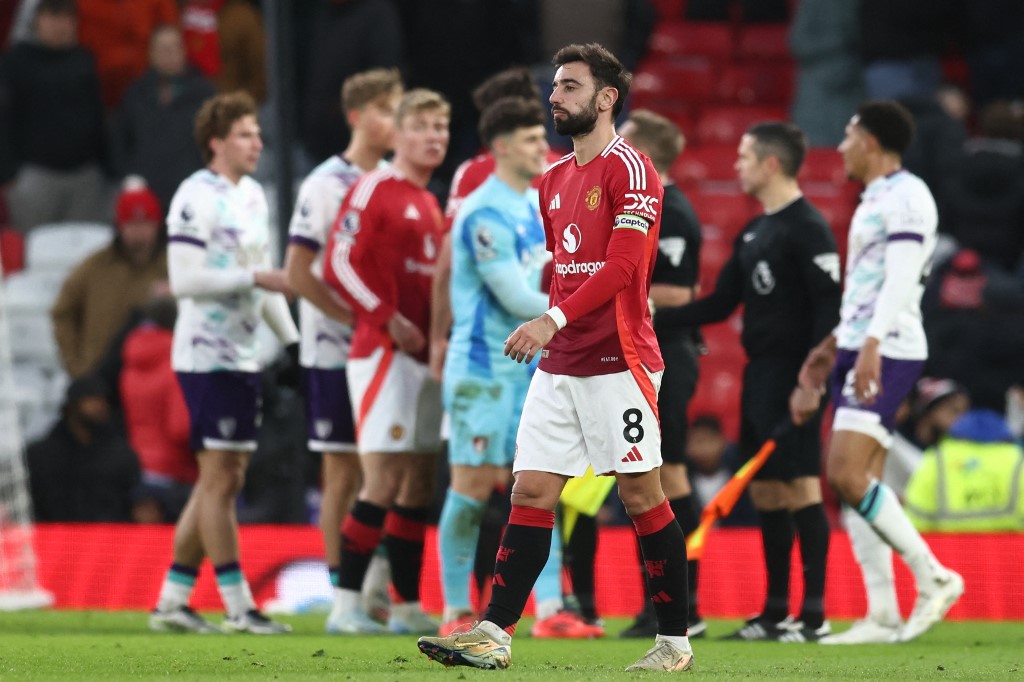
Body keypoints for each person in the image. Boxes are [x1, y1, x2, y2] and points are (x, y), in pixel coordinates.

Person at [418, 42, 695, 672]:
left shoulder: (633, 170)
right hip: (562, 362)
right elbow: (565, 270)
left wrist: (551, 318)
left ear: (605, 99)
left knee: (640, 494)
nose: (555, 96)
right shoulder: (551, 181)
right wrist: (547, 310)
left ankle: (674, 642)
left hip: (620, 360)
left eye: (570, 86)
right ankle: (495, 632)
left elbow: (624, 268)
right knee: (533, 489)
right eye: (555, 85)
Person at [660, 122, 842, 642]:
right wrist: (647, 316)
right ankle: (775, 609)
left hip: (797, 372)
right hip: (759, 372)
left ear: (770, 164)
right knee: (765, 490)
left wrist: (814, 376)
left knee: (802, 482)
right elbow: (721, 303)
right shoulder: (753, 230)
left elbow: (830, 304)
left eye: (743, 156)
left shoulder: (808, 227)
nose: (734, 165)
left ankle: (814, 615)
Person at [794, 100, 964, 645]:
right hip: (864, 344)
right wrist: (833, 345)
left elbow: (899, 278)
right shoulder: (877, 196)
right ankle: (883, 613)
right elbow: (866, 287)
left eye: (847, 136)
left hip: (889, 347)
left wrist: (868, 346)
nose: (840, 148)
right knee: (851, 478)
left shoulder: (909, 196)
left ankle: (934, 576)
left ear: (869, 141)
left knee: (845, 471)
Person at [436, 96, 600, 639]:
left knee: (539, 483)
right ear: (502, 147)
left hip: (527, 366)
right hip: (482, 370)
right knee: (473, 484)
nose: (543, 148)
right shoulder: (483, 212)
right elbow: (509, 293)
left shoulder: (535, 204)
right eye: (532, 139)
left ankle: (550, 611)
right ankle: (456, 608)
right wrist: (584, 309)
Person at [148, 90, 298, 635]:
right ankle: (239, 607)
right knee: (220, 477)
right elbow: (185, 282)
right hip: (203, 357)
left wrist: (292, 343)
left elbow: (267, 276)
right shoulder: (195, 195)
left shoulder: (255, 197)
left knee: (222, 479)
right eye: (244, 134)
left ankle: (171, 601)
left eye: (257, 133)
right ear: (216, 142)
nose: (257, 142)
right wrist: (252, 279)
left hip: (242, 353)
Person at [321, 88, 449, 635]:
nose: (434, 137)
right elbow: (338, 261)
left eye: (441, 127)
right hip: (381, 353)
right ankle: (345, 604)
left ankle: (404, 604)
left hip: (423, 357)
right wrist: (383, 314)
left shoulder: (428, 199)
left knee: (418, 482)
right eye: (421, 126)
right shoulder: (375, 188)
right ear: (396, 134)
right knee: (382, 478)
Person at [283, 67, 402, 633]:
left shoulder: (396, 182)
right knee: (342, 471)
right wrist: (355, 320)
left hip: (385, 351)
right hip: (334, 350)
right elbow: (298, 273)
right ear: (356, 116)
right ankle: (342, 593)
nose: (394, 122)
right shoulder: (323, 184)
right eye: (384, 111)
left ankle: (374, 590)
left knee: (385, 470)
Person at [603, 109, 705, 639]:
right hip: (641, 353)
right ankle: (667, 604)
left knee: (666, 475)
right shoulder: (640, 204)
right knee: (651, 475)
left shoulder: (676, 210)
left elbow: (680, 291)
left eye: (629, 139)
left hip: (670, 352)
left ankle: (685, 604)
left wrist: (612, 289)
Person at [1, 0, 109, 232]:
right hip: (34, 176)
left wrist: (105, 165)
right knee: (35, 250)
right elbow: (4, 121)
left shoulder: (83, 59)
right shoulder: (15, 62)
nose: (59, 25)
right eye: (52, 17)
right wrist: (8, 173)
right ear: (36, 21)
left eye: (65, 18)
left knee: (85, 250)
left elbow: (97, 115)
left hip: (84, 176)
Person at [51, 176, 168, 378]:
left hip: (156, 376)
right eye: (132, 223)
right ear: (119, 225)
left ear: (157, 225)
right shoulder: (94, 267)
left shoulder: (173, 266)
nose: (139, 231)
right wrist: (77, 367)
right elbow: (63, 312)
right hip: (99, 376)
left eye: (145, 222)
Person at [113, 24, 217, 212]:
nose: (169, 54)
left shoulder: (205, 94)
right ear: (151, 53)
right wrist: (130, 175)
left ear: (184, 51)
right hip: (148, 200)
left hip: (193, 197)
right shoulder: (136, 94)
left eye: (174, 47)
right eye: (162, 48)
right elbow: (120, 141)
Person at [27, 375, 141, 523]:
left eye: (103, 400)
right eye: (92, 399)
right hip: (53, 540)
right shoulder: (40, 455)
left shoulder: (121, 454)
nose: (100, 406)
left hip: (109, 541)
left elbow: (133, 502)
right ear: (72, 406)